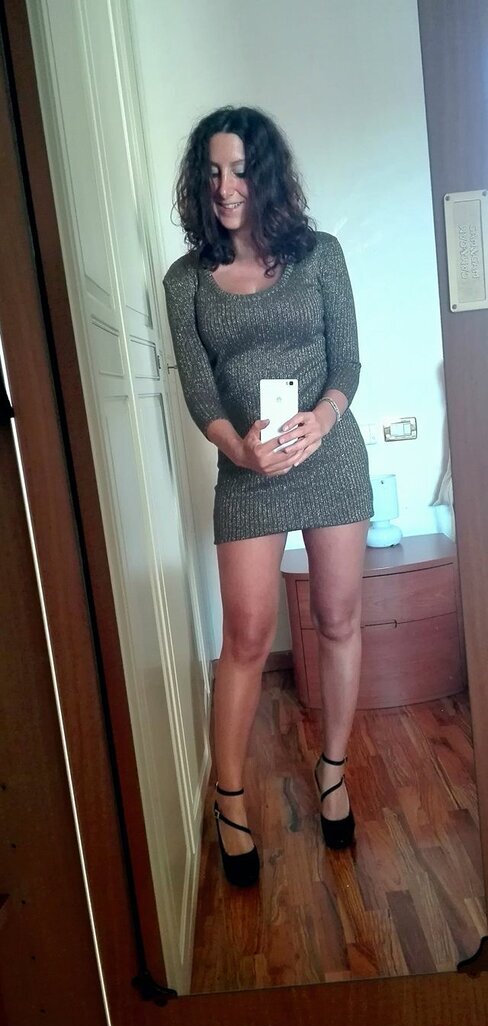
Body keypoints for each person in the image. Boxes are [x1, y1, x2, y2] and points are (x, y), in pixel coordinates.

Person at [163, 105, 373, 887]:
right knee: (247, 639)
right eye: (213, 171)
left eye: (241, 170)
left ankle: (333, 771)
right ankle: (229, 801)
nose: (226, 186)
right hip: (247, 470)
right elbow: (198, 392)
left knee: (338, 618)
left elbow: (348, 362)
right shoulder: (185, 280)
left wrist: (323, 419)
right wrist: (238, 449)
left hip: (329, 459)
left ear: (267, 175)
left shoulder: (321, 256)